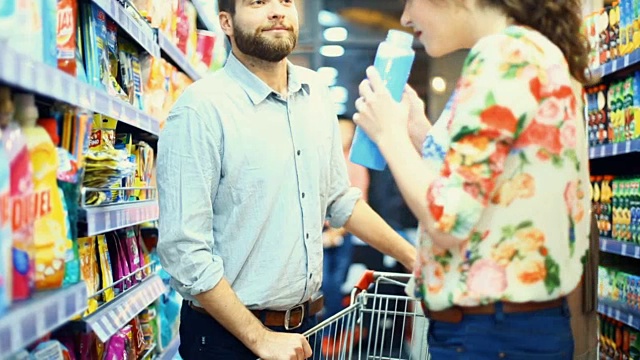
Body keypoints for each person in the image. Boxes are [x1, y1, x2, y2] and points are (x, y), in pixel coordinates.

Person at [155, 0, 417, 359]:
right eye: (258, 3)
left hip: (305, 329)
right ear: (226, 22)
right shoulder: (200, 110)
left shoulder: (315, 94)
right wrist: (260, 338)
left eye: (285, 1)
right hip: (227, 338)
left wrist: (413, 258)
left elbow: (339, 200)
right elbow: (184, 251)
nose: (277, 11)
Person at [352, 0, 591, 358]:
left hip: (488, 332)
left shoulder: (501, 55)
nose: (405, 17)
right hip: (516, 327)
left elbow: (448, 219)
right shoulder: (531, 50)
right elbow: (491, 182)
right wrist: (419, 132)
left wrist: (390, 135)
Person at [321, 119, 369, 320]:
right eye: (341, 130)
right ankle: (327, 332)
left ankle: (335, 331)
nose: (344, 135)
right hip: (318, 231)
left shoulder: (356, 164)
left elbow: (359, 200)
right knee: (322, 281)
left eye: (349, 131)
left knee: (337, 282)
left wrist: (338, 231)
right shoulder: (323, 159)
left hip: (345, 230)